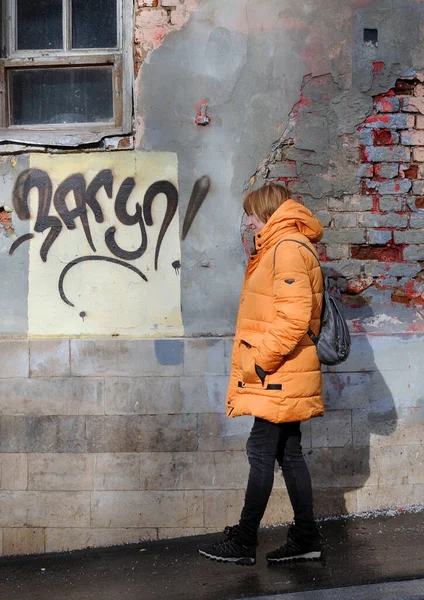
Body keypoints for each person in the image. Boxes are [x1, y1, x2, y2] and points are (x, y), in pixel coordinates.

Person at [198, 183, 325, 566]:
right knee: (288, 452)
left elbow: (294, 317)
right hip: (283, 372)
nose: (248, 219)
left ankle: (244, 540)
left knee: (260, 450)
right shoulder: (283, 245)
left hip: (278, 373)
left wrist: (258, 362)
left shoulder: (286, 248)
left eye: (252, 212)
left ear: (268, 211)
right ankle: (305, 538)